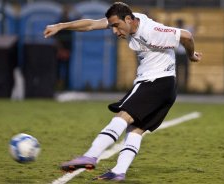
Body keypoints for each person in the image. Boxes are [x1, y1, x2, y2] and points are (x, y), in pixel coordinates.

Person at [44, 2, 202, 181]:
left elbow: (187, 36)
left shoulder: (151, 31)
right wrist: (61, 26)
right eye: (111, 26)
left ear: (128, 20)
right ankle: (119, 171)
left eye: (116, 26)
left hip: (155, 82)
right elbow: (91, 24)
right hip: (165, 86)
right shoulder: (129, 19)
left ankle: (91, 155)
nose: (114, 31)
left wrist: (190, 55)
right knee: (135, 130)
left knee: (122, 117)